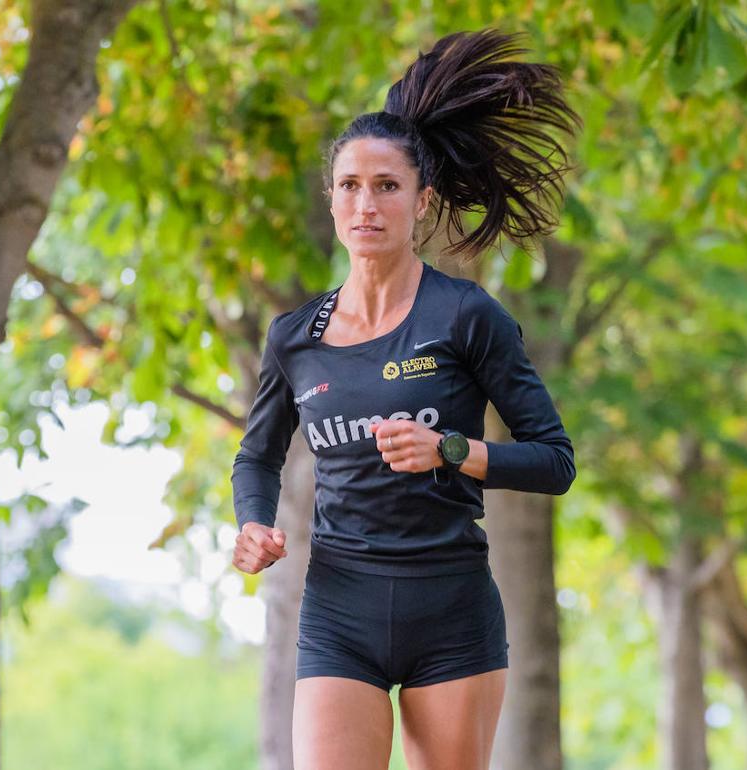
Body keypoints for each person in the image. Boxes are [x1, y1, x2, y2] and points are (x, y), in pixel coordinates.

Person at [230, 28, 581, 770]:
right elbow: (257, 457)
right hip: (338, 608)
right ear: (331, 202)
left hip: (450, 610)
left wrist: (453, 450)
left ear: (421, 202)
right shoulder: (297, 336)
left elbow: (555, 461)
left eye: (386, 186)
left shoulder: (466, 315)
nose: (367, 204)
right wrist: (253, 525)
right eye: (350, 187)